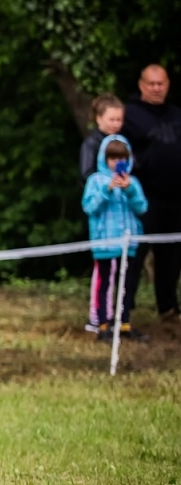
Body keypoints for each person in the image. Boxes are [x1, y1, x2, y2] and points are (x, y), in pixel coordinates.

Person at [124, 65, 180, 322]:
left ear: (168, 84)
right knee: (136, 252)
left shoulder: (176, 114)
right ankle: (123, 309)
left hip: (175, 196)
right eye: (151, 83)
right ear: (141, 85)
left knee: (171, 255)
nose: (157, 88)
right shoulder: (130, 114)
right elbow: (118, 150)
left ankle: (168, 308)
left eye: (161, 83)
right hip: (144, 197)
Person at [82, 134, 149, 342]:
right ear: (104, 158)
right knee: (104, 283)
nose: (116, 163)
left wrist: (129, 190)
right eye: (112, 159)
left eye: (121, 159)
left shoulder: (133, 182)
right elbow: (89, 207)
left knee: (127, 283)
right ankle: (103, 326)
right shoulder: (95, 181)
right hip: (104, 242)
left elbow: (142, 208)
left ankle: (124, 323)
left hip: (128, 243)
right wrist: (107, 190)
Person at [79, 94, 126, 332]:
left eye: (119, 119)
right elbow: (87, 176)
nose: (116, 124)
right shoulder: (91, 144)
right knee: (104, 272)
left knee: (121, 271)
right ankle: (97, 319)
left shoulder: (123, 143)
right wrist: (106, 187)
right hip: (101, 221)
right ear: (99, 119)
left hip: (122, 221)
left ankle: (118, 318)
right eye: (111, 119)